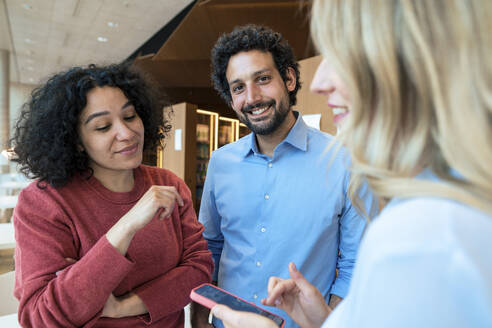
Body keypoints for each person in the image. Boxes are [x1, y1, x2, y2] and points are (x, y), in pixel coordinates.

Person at [211, 0, 492, 327]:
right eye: (238, 88)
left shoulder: (424, 234)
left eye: (342, 54)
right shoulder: (434, 211)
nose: (319, 81)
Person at [191, 25, 377, 328]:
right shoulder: (220, 162)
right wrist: (199, 320)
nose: (252, 97)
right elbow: (210, 248)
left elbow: (354, 265)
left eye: (263, 79)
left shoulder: (344, 161)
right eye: (238, 88)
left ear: (289, 78)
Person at [11, 63, 214, 327]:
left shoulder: (168, 184)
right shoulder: (44, 202)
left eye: (130, 117)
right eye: (103, 127)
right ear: (76, 141)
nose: (127, 133)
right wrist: (126, 227)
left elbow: (199, 272)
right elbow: (41, 316)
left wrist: (120, 307)